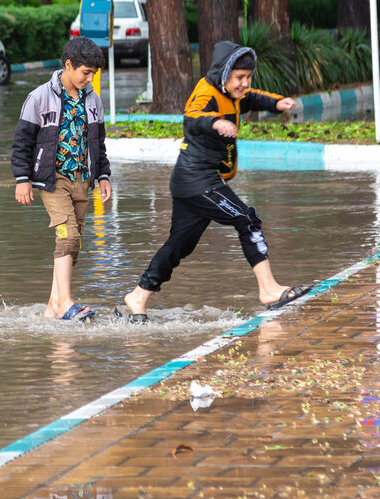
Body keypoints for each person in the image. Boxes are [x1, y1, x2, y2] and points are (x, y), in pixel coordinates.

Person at [119, 40, 308, 323]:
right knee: (247, 219)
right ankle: (268, 290)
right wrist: (215, 123)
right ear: (224, 74)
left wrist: (276, 102)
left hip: (190, 180)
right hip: (198, 180)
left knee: (180, 244)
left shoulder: (232, 92)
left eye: (248, 77)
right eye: (239, 78)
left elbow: (252, 98)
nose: (244, 83)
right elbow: (192, 117)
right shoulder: (206, 92)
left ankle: (138, 295)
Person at [12, 37, 113, 321]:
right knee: (67, 236)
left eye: (93, 73)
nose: (89, 78)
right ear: (68, 65)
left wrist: (103, 175)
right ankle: (66, 302)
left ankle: (52, 307)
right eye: (85, 72)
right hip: (52, 180)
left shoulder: (93, 99)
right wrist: (22, 179)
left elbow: (98, 143)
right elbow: (21, 142)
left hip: (82, 180)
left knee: (74, 242)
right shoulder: (39, 97)